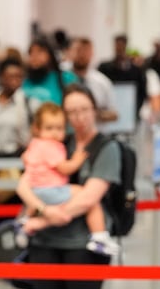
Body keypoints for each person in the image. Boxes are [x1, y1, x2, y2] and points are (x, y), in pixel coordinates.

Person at [16, 83, 120, 289]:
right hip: (47, 245)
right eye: (71, 111)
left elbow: (91, 196)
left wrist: (47, 215)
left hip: (83, 248)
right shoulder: (58, 142)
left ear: (95, 109)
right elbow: (26, 183)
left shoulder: (106, 148)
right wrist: (45, 212)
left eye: (83, 110)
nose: (77, 117)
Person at [18, 102, 120, 256]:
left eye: (59, 128)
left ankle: (27, 221)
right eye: (49, 128)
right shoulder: (52, 146)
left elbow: (26, 171)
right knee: (85, 196)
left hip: (38, 192)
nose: (54, 133)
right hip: (51, 191)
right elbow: (65, 168)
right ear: (37, 129)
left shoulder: (34, 145)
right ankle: (99, 236)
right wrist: (77, 161)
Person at [66, 37, 118, 125]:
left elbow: (114, 114)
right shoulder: (61, 76)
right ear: (70, 52)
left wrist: (91, 113)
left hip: (94, 132)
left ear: (92, 54)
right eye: (78, 50)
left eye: (86, 51)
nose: (82, 55)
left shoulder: (102, 82)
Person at [22, 36, 78, 112]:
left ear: (50, 55)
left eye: (40, 51)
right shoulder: (24, 81)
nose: (34, 56)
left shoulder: (66, 79)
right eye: (31, 52)